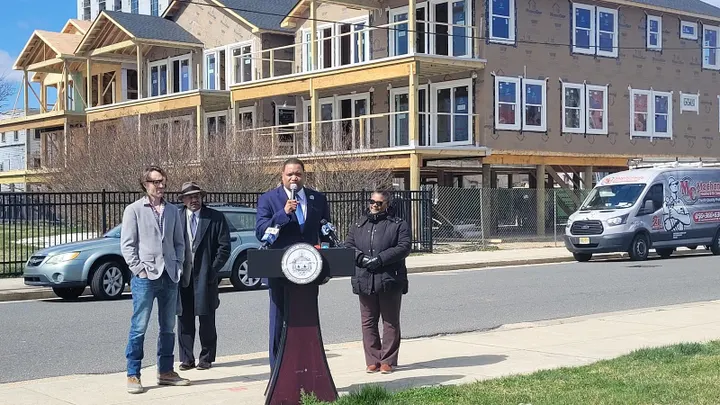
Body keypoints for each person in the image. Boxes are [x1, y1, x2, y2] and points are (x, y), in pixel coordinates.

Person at [255, 157, 331, 371]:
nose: (294, 178)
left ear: (304, 176)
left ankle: (308, 369)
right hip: (279, 271)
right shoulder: (269, 199)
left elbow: (325, 232)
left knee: (307, 320)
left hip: (309, 272)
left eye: (298, 173)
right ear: (282, 176)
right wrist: (283, 214)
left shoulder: (318, 199)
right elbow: (261, 231)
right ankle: (278, 373)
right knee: (279, 321)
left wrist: (327, 259)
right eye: (289, 174)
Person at [120, 165, 189, 394]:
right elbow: (127, 245)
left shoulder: (172, 211)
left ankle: (166, 371)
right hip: (146, 277)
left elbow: (180, 242)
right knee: (139, 326)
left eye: (163, 182)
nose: (160, 186)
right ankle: (133, 374)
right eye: (155, 182)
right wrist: (138, 269)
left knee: (168, 326)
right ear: (145, 184)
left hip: (169, 275)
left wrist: (178, 265)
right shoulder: (134, 210)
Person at [344, 189, 411, 374]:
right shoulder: (359, 224)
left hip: (389, 278)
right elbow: (348, 245)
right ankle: (373, 359)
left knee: (390, 321)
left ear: (387, 204)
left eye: (379, 203)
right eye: (372, 201)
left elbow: (404, 247)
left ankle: (387, 360)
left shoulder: (398, 224)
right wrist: (361, 259)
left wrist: (381, 259)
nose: (374, 205)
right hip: (364, 278)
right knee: (368, 321)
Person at [177, 182, 231, 371]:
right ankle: (186, 358)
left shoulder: (215, 218)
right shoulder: (177, 216)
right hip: (182, 277)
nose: (194, 200)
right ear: (183, 200)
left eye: (197, 196)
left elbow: (224, 248)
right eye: (190, 197)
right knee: (184, 319)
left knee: (207, 318)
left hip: (206, 277)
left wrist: (213, 270)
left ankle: (206, 358)